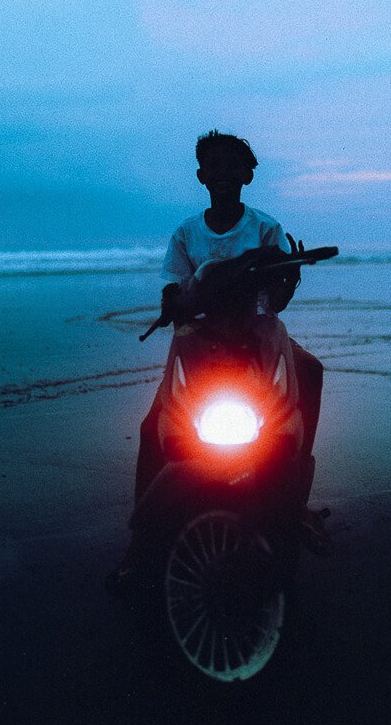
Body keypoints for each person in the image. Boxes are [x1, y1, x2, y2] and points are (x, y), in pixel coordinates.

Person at [134, 129, 324, 507]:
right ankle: (141, 532)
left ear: (247, 175)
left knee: (311, 371)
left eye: (232, 167)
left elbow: (277, 303)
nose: (222, 173)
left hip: (259, 334)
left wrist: (291, 279)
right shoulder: (186, 234)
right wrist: (173, 302)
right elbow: (173, 288)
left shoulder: (266, 229)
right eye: (212, 166)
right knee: (151, 428)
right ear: (201, 175)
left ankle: (297, 482)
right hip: (200, 340)